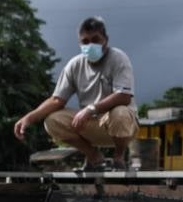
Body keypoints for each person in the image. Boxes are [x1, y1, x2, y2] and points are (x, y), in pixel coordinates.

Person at [14, 16, 138, 173]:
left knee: (120, 112)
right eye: (85, 41)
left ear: (105, 40)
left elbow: (124, 96)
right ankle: (93, 156)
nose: (90, 44)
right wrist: (28, 118)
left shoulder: (118, 58)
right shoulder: (74, 64)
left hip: (121, 127)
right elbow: (57, 100)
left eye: (95, 39)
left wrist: (90, 109)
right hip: (90, 124)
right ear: (80, 43)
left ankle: (119, 158)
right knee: (52, 121)